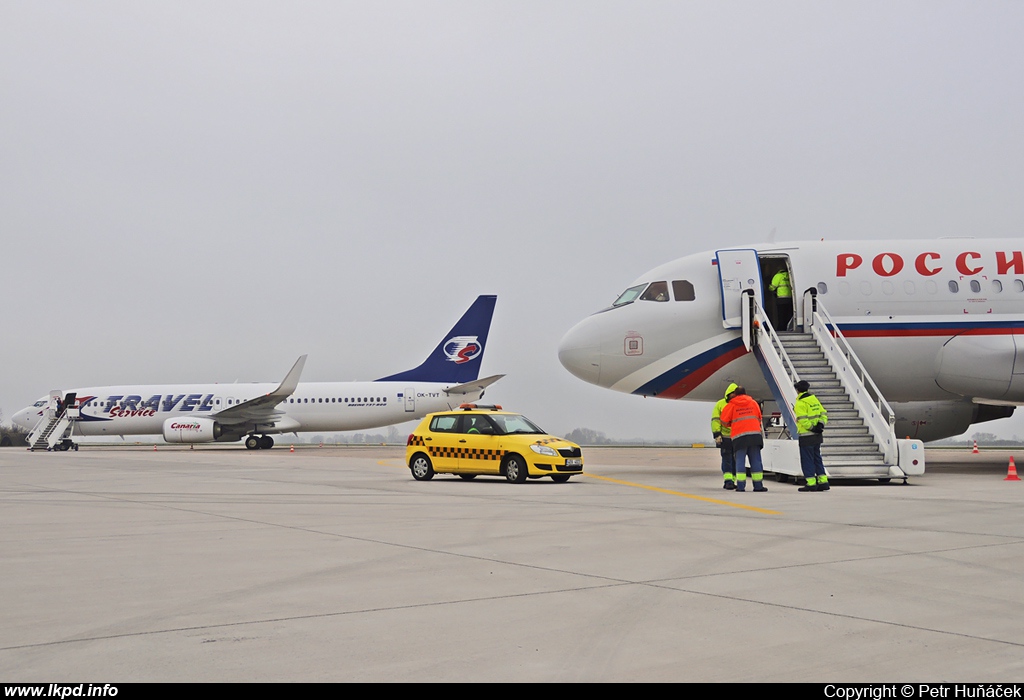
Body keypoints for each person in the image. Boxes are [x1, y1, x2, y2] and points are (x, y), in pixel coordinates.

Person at [720, 386, 767, 492]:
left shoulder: (732, 404)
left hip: (739, 437)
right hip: (755, 435)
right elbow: (759, 417)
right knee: (756, 461)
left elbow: (723, 420)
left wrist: (732, 424)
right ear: (745, 393)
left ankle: (741, 486)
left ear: (735, 394)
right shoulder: (753, 403)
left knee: (740, 461)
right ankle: (758, 486)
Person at [793, 380, 829, 492]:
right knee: (817, 458)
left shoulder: (800, 403)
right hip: (817, 435)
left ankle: (811, 483)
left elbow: (803, 420)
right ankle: (823, 482)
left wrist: (812, 428)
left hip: (806, 435)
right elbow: (823, 413)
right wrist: (820, 425)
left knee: (807, 460)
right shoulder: (815, 400)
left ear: (797, 390)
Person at [711, 383, 739, 489]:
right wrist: (717, 434)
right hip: (725, 436)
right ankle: (728, 481)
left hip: (737, 436)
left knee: (735, 460)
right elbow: (715, 420)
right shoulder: (720, 404)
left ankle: (732, 480)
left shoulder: (738, 404)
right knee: (727, 459)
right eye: (733, 394)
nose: (734, 396)